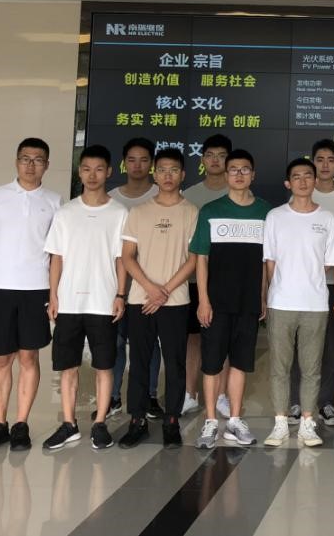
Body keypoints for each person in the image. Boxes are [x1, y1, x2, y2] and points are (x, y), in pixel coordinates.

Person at [0, 138, 62, 454]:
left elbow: (57, 253)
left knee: (29, 357)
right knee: (1, 357)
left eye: (38, 160)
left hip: (36, 288)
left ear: (47, 165)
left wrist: (54, 293)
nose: (30, 165)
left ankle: (21, 424)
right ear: (16, 161)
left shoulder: (55, 201)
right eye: (25, 158)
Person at [42, 145, 129, 451]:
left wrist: (120, 294)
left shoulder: (119, 213)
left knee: (104, 366)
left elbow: (122, 260)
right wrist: (53, 296)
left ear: (109, 172)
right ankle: (69, 424)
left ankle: (100, 423)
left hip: (103, 302)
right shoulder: (66, 212)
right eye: (87, 169)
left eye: (99, 169)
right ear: (80, 172)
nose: (93, 175)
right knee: (68, 366)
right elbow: (56, 258)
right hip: (69, 302)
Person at [117, 147, 198, 449]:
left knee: (175, 363)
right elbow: (127, 256)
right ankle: (137, 420)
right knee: (138, 362)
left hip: (175, 301)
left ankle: (171, 420)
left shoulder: (192, 212)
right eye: (162, 170)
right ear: (154, 173)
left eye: (173, 170)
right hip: (141, 299)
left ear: (183, 175)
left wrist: (164, 291)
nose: (167, 175)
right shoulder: (138, 212)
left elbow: (194, 259)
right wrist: (151, 288)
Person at [191, 149, 272, 449]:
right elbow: (201, 259)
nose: (239, 174)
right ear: (225, 175)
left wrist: (263, 295)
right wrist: (203, 300)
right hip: (216, 303)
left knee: (240, 362)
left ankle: (235, 420)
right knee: (212, 364)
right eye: (233, 169)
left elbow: (266, 261)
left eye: (244, 169)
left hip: (247, 302)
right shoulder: (210, 211)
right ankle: (211, 421)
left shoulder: (266, 212)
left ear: (253, 175)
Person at [262, 158, 334, 447]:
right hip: (281, 303)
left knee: (311, 368)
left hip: (315, 304)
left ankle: (308, 423)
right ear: (288, 183)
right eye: (297, 176)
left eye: (308, 176)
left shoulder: (328, 218)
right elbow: (270, 261)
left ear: (315, 181)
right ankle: (280, 423)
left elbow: (329, 262)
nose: (303, 181)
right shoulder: (275, 216)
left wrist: (307, 278)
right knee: (279, 367)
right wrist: (279, 288)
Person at [294, 138, 334, 427]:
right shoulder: (301, 193)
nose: (324, 165)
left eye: (330, 160)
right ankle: (297, 402)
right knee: (302, 345)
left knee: (331, 346)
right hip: (303, 284)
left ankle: (327, 402)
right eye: (319, 159)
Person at [108, 137, 162, 419]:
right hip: (115, 286)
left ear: (151, 164)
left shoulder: (161, 196)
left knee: (149, 345)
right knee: (116, 343)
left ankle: (150, 396)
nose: (137, 165)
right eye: (132, 160)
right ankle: (113, 397)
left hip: (149, 287)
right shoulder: (111, 198)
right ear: (123, 163)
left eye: (143, 160)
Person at [182, 133, 233, 417]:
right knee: (193, 339)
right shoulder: (189, 195)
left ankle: (222, 395)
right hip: (192, 280)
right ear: (202, 159)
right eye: (210, 155)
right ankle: (190, 394)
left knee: (222, 340)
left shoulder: (237, 193)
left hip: (224, 280)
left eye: (222, 156)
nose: (215, 160)